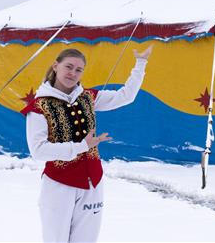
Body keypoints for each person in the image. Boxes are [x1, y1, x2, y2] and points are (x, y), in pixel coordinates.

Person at [21, 45, 152, 243]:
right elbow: (38, 151)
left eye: (78, 70)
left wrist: (140, 63)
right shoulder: (39, 106)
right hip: (59, 184)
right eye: (68, 67)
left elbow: (125, 96)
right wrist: (82, 146)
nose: (72, 73)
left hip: (93, 182)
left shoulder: (88, 97)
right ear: (55, 66)